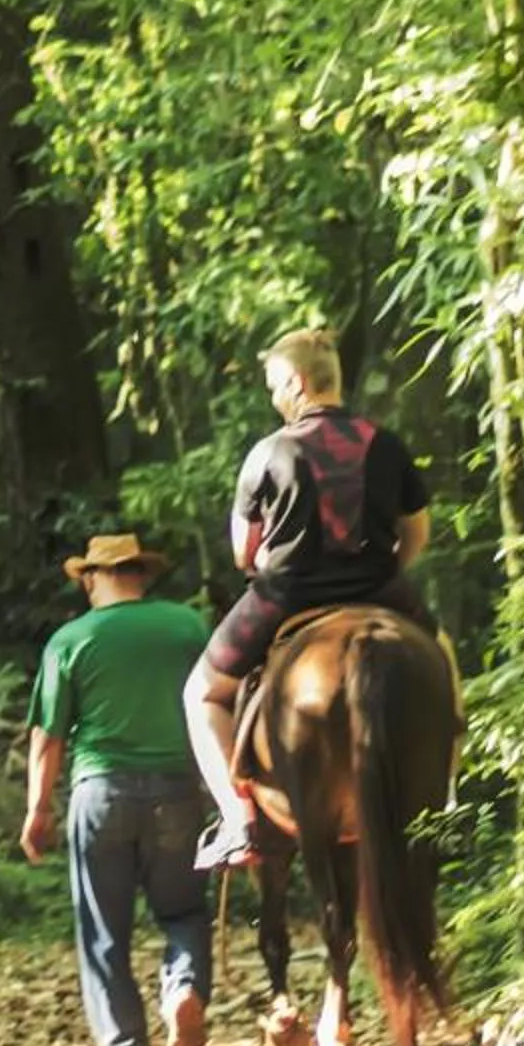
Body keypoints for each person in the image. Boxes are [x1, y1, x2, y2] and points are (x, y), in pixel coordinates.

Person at [184, 327, 433, 870]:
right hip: (380, 590)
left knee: (200, 693)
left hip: (287, 594)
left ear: (296, 383)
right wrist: (382, 574)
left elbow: (243, 553)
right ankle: (445, 793)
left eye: (276, 385)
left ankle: (238, 821)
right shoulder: (386, 444)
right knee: (440, 660)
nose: (274, 398)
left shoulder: (269, 451)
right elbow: (416, 535)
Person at [24, 532, 216, 1046]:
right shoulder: (187, 627)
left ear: (92, 578)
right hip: (177, 790)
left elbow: (49, 736)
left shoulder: (71, 639)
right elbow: (219, 702)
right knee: (183, 911)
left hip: (100, 793)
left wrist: (38, 809)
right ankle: (184, 992)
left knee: (103, 926)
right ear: (142, 574)